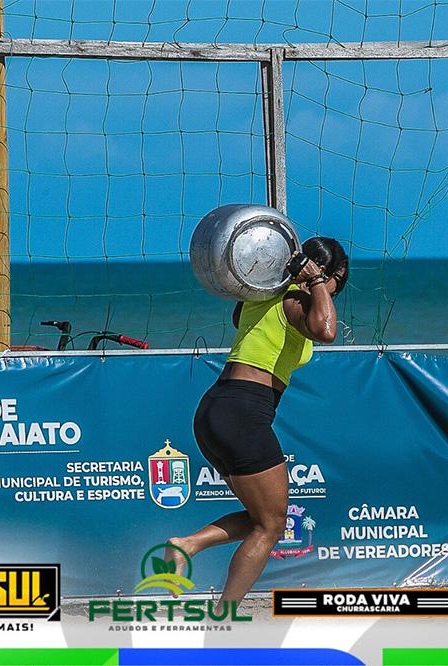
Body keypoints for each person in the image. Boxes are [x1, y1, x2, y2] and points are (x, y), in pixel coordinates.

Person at [167, 236, 349, 609]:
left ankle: (188, 545)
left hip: (215, 408)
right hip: (244, 412)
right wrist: (315, 282)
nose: (336, 290)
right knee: (271, 526)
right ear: (323, 271)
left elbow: (240, 317)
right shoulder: (294, 301)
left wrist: (307, 281)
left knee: (262, 519)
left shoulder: (265, 294)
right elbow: (326, 331)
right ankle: (225, 615)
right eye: (337, 280)